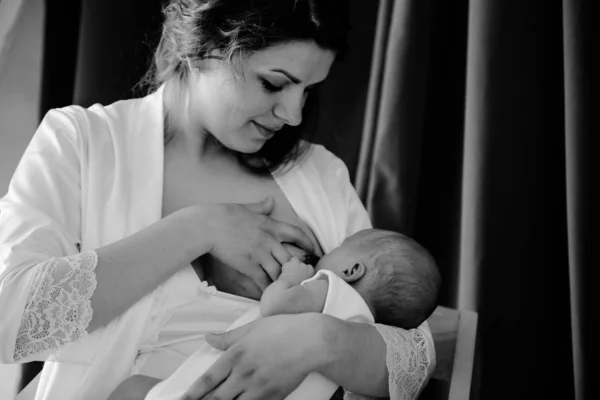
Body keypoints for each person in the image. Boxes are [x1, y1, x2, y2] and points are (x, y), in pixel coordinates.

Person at [0, 1, 436, 399]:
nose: (294, 114)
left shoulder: (316, 173)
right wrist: (200, 228)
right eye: (273, 84)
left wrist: (318, 341)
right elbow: (10, 317)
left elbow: (411, 357)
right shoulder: (82, 143)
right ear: (204, 48)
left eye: (307, 91)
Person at [108, 229, 441, 399]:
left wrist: (290, 278)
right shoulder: (364, 326)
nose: (327, 254)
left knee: (134, 390)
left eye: (337, 249)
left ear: (352, 269)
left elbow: (274, 307)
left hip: (220, 387)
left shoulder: (328, 288)